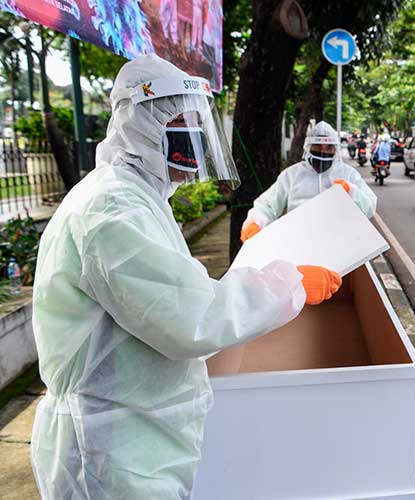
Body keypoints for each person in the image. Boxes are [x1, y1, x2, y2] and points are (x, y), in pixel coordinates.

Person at [29, 54, 342, 499]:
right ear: (144, 125)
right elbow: (192, 317)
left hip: (132, 436)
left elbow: (169, 295)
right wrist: (288, 285)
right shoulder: (112, 211)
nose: (196, 140)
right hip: (108, 451)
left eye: (200, 127)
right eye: (185, 125)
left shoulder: (138, 198)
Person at [240, 121, 377, 242]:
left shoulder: (348, 174)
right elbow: (267, 205)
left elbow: (369, 207)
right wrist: (256, 221)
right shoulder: (292, 175)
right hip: (298, 244)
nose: (323, 151)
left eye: (329, 147)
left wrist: (351, 191)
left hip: (338, 243)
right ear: (308, 147)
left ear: (336, 149)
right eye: (318, 146)